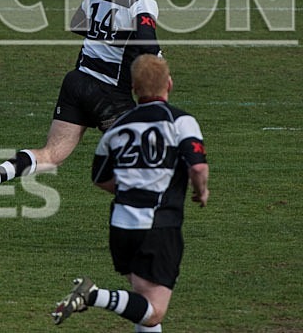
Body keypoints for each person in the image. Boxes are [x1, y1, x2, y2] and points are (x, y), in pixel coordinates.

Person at [0, 0, 161, 217]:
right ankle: (144, 215)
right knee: (142, 153)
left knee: (51, 155)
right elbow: (148, 44)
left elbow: (78, 24)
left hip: (77, 82)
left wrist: (106, 34)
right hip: (109, 92)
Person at [51, 54, 210, 331]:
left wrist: (130, 188)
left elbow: (100, 178)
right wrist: (201, 191)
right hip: (158, 226)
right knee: (155, 311)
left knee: (142, 301)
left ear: (134, 88)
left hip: (121, 226)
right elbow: (197, 168)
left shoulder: (117, 127)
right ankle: (92, 295)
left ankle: (95, 295)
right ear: (169, 83)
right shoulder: (181, 121)